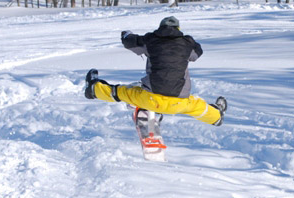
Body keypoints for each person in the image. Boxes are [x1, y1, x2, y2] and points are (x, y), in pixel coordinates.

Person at [84, 16, 227, 126]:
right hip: (179, 103)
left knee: (122, 92)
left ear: (160, 27)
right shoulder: (187, 44)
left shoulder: (150, 40)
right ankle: (217, 118)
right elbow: (197, 52)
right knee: (198, 106)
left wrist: (126, 34)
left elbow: (129, 42)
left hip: (150, 98)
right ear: (178, 28)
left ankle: (93, 89)